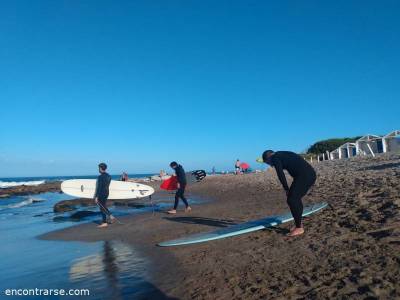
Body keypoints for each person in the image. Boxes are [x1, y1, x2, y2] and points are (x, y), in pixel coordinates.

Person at [257, 150, 316, 237]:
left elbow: (280, 174)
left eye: (268, 163)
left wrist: (286, 189)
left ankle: (299, 227)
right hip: (309, 174)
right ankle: (299, 225)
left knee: (292, 199)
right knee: (295, 199)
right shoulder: (282, 154)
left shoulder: (275, 157)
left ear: (268, 157)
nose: (271, 165)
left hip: (304, 176)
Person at [94, 162, 115, 228]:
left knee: (102, 208)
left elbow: (99, 187)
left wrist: (96, 196)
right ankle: (110, 216)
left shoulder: (100, 177)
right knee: (103, 206)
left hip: (101, 193)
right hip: (106, 193)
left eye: (99, 168)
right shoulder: (109, 176)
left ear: (100, 168)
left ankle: (105, 222)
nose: (98, 169)